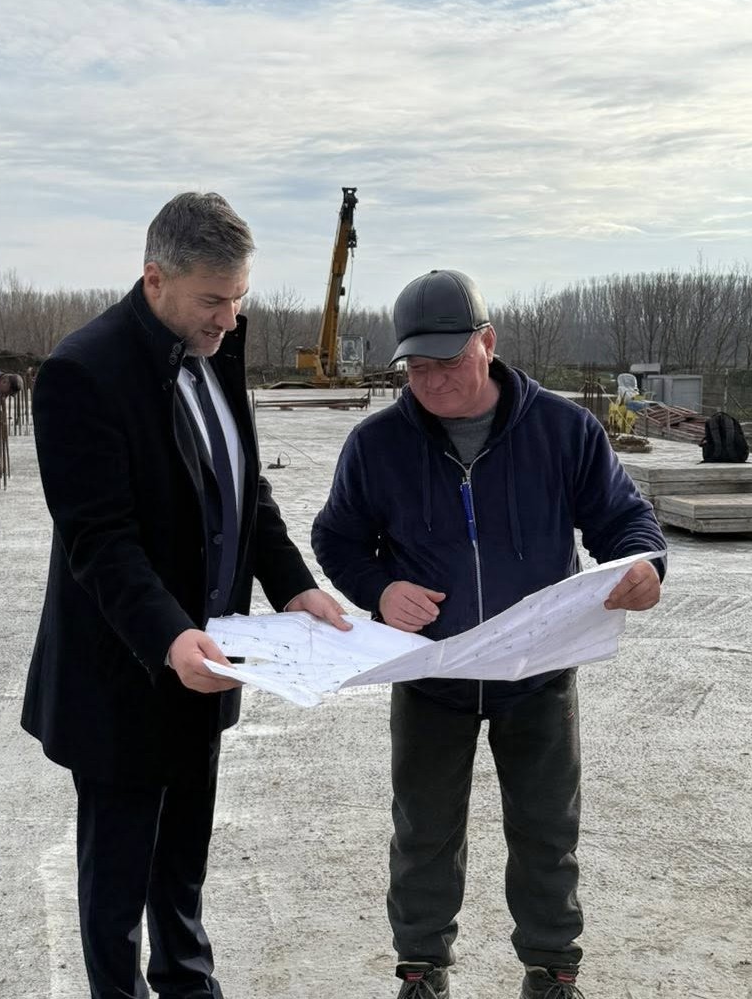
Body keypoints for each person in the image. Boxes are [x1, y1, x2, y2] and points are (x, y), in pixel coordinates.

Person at [22, 191, 350, 999]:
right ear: (154, 279)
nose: (229, 320)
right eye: (213, 300)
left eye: (239, 299)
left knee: (182, 867)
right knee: (117, 886)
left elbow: (245, 494)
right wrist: (169, 636)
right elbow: (99, 539)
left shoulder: (214, 354)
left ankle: (189, 985)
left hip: (207, 666)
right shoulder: (82, 374)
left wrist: (294, 586)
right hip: (127, 675)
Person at [311, 269, 668, 999]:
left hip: (539, 675)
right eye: (416, 367)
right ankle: (421, 969)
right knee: (424, 830)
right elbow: (337, 538)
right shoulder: (378, 444)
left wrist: (644, 565)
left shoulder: (562, 430)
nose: (432, 381)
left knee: (546, 829)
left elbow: (624, 520)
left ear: (488, 343)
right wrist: (381, 589)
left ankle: (552, 969)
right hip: (431, 676)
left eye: (447, 361)